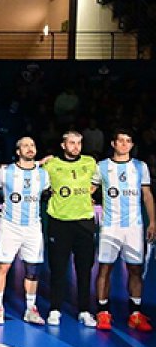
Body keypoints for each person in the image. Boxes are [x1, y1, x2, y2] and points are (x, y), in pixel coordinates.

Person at [93, 131, 155, 331]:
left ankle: (135, 314)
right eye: (120, 140)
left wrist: (152, 221)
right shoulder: (102, 167)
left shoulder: (140, 167)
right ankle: (103, 312)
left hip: (134, 227)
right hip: (110, 226)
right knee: (105, 268)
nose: (124, 144)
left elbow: (147, 195)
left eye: (128, 141)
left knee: (135, 270)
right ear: (113, 143)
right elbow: (89, 191)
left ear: (131, 145)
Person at [0, 137, 51, 325]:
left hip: (33, 227)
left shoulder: (43, 175)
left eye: (32, 145)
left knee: (32, 269)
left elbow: (50, 192)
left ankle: (30, 309)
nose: (30, 148)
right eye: (25, 145)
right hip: (10, 226)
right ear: (18, 151)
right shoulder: (5, 172)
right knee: (3, 266)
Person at [42, 131, 98, 327]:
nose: (76, 146)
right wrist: (41, 162)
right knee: (58, 269)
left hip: (84, 222)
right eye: (72, 143)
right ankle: (55, 309)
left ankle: (84, 310)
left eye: (79, 143)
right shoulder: (51, 164)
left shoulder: (90, 163)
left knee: (84, 270)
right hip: (59, 222)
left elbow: (97, 183)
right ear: (63, 145)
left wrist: (86, 195)